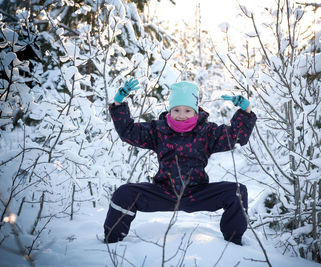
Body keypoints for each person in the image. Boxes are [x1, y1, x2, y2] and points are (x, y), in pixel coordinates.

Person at [104, 78, 257, 245]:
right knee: (124, 193)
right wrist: (119, 102)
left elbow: (236, 136)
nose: (181, 115)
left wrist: (246, 110)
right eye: (176, 110)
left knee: (237, 192)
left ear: (196, 112)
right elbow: (128, 131)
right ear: (170, 111)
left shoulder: (207, 132)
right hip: (164, 192)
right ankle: (112, 243)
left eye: (187, 111)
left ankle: (233, 242)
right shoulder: (158, 130)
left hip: (197, 193)